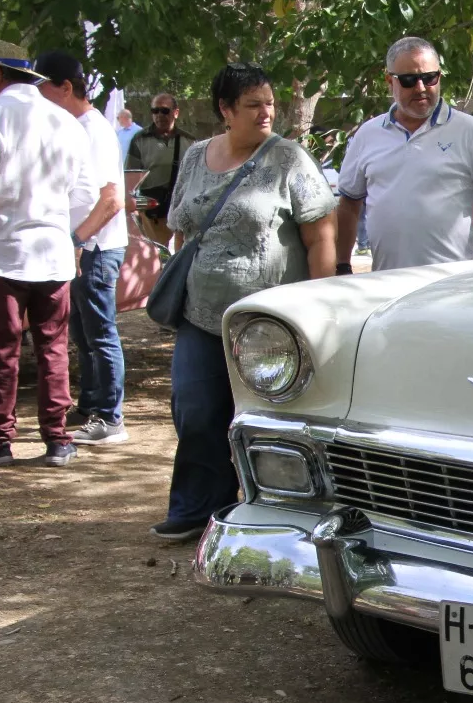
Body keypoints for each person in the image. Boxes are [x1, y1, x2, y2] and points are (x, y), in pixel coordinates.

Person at [153, 62, 337, 541]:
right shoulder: (195, 156)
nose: (265, 113)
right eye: (253, 105)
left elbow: (321, 236)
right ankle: (199, 508)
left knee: (268, 418)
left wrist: (320, 306)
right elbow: (182, 228)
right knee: (194, 409)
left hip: (269, 322)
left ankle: (280, 514)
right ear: (225, 110)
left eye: (269, 103)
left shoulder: (289, 159)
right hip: (200, 314)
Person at [0, 39, 98, 467]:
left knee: (1, 348)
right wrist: (63, 229)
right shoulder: (64, 120)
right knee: (53, 346)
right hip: (52, 251)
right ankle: (57, 438)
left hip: (3, 251)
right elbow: (85, 193)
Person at [335, 36, 473, 273]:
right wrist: (342, 265)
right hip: (384, 284)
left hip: (448, 286)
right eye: (409, 80)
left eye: (429, 78)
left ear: (439, 76)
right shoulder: (367, 135)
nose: (420, 88)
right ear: (390, 81)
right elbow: (348, 204)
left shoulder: (470, 131)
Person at [35, 50, 131, 446]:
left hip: (96, 248)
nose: (37, 97)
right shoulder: (73, 128)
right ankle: (91, 403)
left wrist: (76, 240)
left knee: (101, 333)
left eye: (42, 88)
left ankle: (111, 418)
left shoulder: (94, 130)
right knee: (83, 333)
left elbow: (111, 200)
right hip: (81, 247)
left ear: (65, 88)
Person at [125, 92, 196, 248]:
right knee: (156, 254)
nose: (159, 115)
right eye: (155, 111)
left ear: (175, 113)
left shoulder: (189, 141)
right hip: (153, 209)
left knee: (182, 255)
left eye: (164, 110)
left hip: (182, 206)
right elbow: (130, 176)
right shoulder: (140, 139)